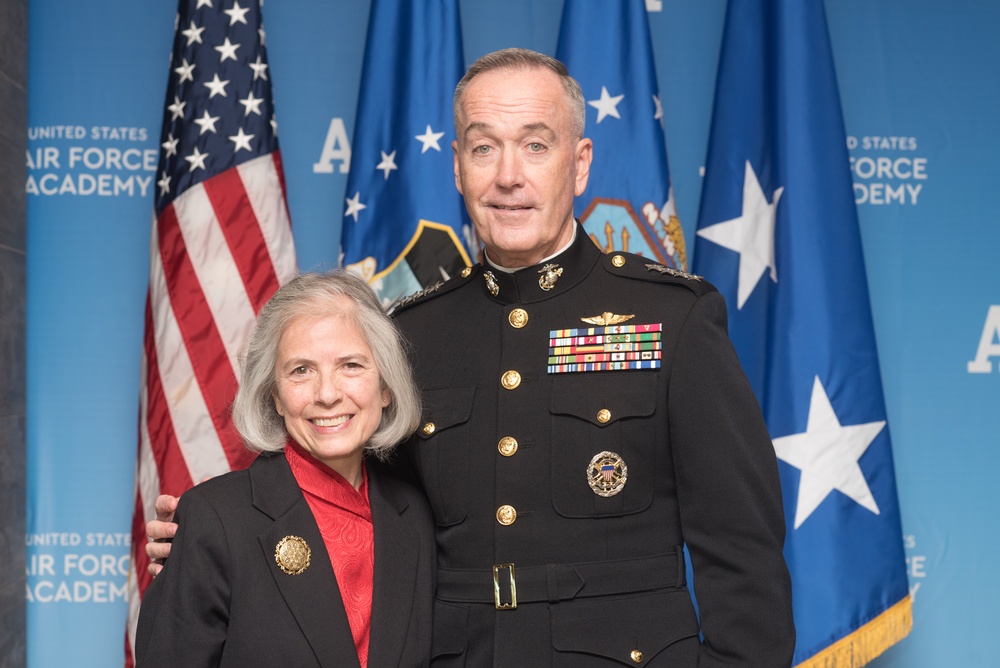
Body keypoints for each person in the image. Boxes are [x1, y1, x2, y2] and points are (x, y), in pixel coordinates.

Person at [148, 48, 795, 666]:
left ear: (581, 163)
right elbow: (346, 492)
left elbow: (744, 560)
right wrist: (216, 534)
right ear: (457, 165)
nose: (508, 176)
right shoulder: (411, 334)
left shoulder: (672, 319)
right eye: (485, 148)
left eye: (536, 145)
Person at [136, 271, 434, 668]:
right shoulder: (214, 518)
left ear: (385, 387)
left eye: (351, 365)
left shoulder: (415, 516)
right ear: (274, 395)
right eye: (301, 370)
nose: (327, 394)